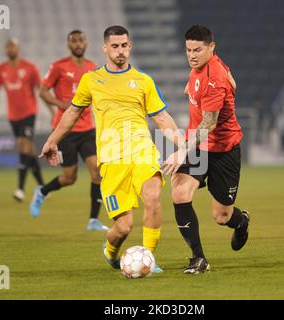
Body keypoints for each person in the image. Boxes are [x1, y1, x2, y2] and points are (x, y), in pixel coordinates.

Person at [39, 25, 183, 272]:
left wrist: (184, 146)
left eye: (124, 45)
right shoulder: (91, 80)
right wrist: (52, 139)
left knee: (153, 195)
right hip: (111, 159)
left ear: (130, 47)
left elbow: (162, 118)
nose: (120, 51)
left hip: (142, 152)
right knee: (123, 228)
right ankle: (111, 251)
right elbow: (72, 113)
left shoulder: (143, 81)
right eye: (115, 46)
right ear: (105, 48)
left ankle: (148, 257)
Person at [163, 25, 250, 274]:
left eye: (197, 50)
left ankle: (241, 221)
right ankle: (198, 258)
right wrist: (191, 88)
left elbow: (209, 124)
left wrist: (181, 151)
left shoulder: (215, 78)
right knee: (180, 193)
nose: (192, 55)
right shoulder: (202, 67)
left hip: (224, 148)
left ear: (212, 48)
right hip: (198, 146)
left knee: (222, 216)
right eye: (188, 49)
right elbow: (224, 81)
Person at [29, 30, 108, 231]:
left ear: (86, 43)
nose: (78, 43)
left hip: (87, 129)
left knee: (97, 172)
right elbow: (43, 91)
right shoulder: (59, 67)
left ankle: (93, 220)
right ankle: (42, 191)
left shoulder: (92, 68)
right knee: (69, 177)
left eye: (81, 40)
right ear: (68, 45)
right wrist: (61, 105)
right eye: (73, 41)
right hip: (65, 131)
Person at [0, 38, 44, 202]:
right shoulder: (2, 69)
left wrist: (53, 110)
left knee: (23, 146)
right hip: (13, 116)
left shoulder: (30, 68)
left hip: (29, 113)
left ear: (18, 49)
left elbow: (41, 89)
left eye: (12, 46)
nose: (10, 49)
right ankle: (43, 187)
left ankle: (20, 189)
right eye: (7, 47)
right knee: (30, 151)